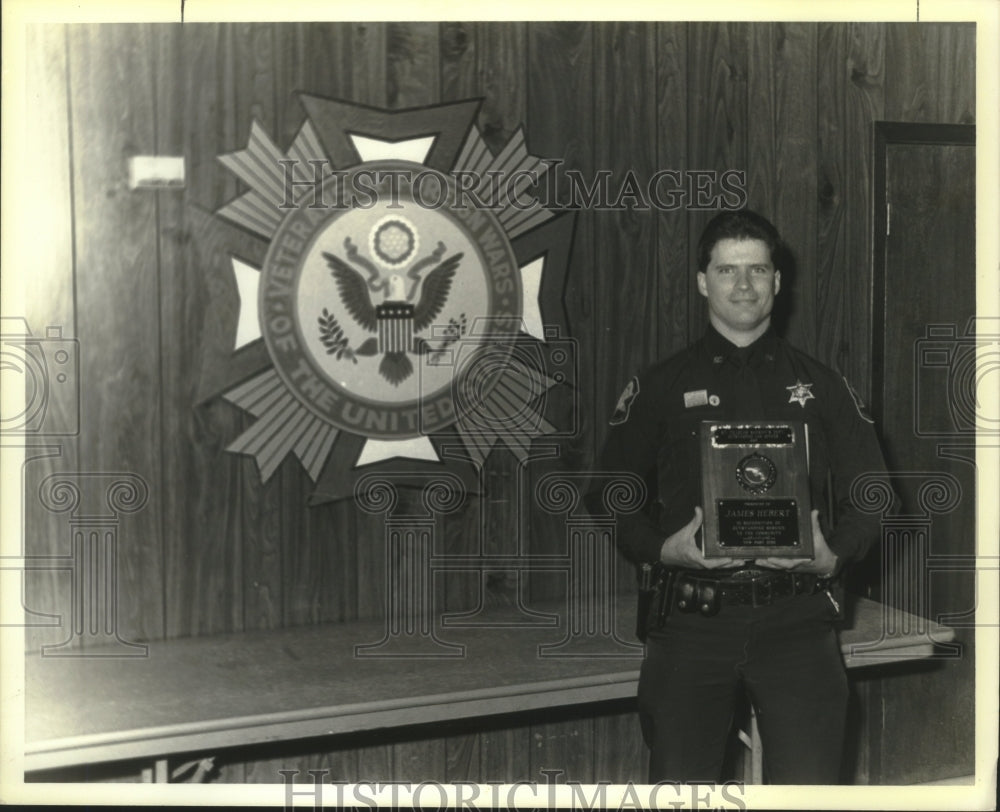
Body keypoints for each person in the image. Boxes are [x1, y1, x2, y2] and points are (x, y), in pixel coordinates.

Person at [594, 209, 887, 784]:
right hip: (692, 620)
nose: (745, 285)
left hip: (798, 618)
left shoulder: (823, 386)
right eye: (728, 270)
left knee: (809, 792)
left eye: (758, 269)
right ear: (703, 280)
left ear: (779, 281)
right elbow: (609, 495)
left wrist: (836, 552)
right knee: (682, 791)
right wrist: (660, 549)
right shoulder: (660, 386)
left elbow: (875, 493)